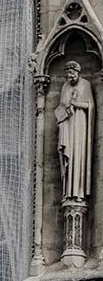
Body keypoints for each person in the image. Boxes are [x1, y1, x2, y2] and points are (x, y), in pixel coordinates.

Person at [55, 60, 94, 201]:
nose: (70, 77)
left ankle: (78, 192)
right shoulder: (65, 86)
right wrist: (64, 111)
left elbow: (90, 106)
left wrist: (76, 104)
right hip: (68, 125)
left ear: (77, 72)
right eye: (68, 75)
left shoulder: (85, 84)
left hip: (80, 126)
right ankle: (67, 192)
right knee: (68, 156)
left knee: (78, 157)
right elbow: (61, 106)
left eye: (72, 74)